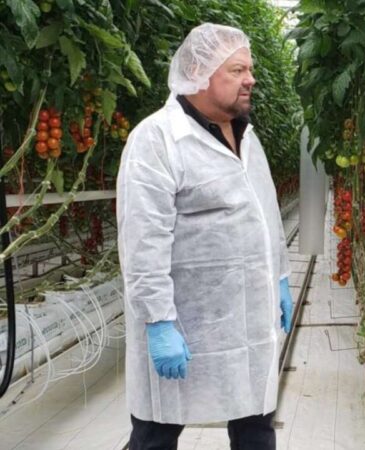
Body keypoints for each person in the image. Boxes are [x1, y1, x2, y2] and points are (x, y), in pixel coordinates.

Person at [116, 23, 294, 450]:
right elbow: (143, 240)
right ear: (199, 72)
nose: (250, 79)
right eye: (236, 70)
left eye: (250, 69)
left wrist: (281, 277)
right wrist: (159, 321)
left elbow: (266, 211)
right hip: (187, 319)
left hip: (249, 319)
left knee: (255, 422)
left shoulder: (248, 136)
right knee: (157, 431)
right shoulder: (157, 140)